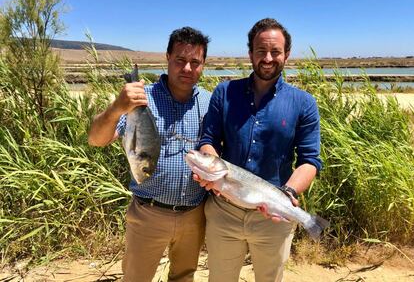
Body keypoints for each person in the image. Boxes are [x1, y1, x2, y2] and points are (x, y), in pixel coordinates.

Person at [194, 18, 322, 282]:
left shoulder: (304, 103)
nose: (267, 58)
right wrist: (211, 171)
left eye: (275, 52)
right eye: (261, 51)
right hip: (224, 210)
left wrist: (287, 194)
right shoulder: (224, 92)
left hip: (273, 216)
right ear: (250, 53)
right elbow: (209, 138)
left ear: (286, 54)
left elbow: (309, 161)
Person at [88, 26, 211, 282]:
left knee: (184, 277)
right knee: (136, 278)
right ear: (167, 58)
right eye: (180, 60)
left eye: (194, 62)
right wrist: (115, 109)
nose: (187, 68)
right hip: (148, 214)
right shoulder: (142, 100)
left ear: (203, 64)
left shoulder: (210, 103)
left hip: (194, 214)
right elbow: (96, 140)